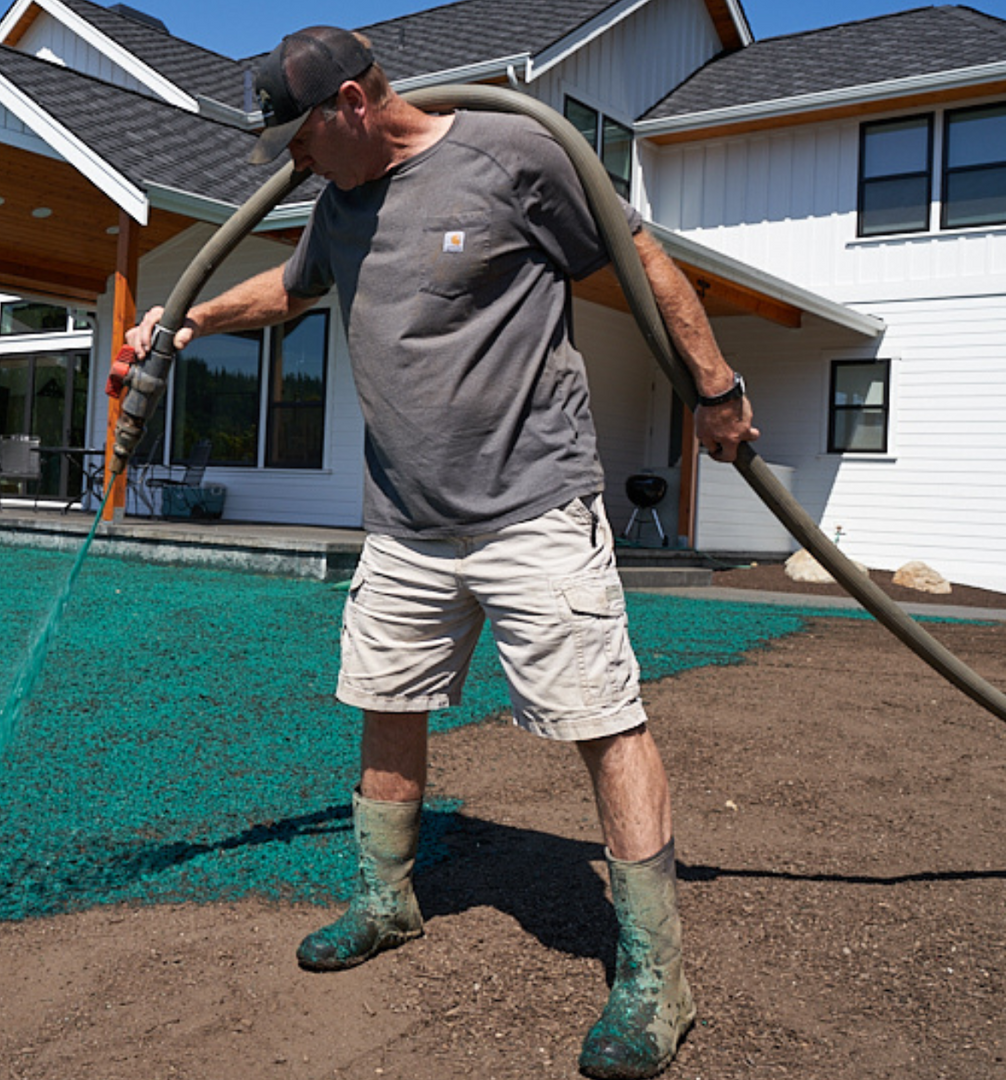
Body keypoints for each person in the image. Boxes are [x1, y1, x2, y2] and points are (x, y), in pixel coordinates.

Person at [126, 26, 757, 1080]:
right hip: (407, 524)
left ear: (351, 106)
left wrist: (716, 387)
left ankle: (657, 978)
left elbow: (640, 253)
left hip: (533, 510)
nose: (290, 162)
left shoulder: (516, 157)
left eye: (298, 138)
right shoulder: (338, 205)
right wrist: (186, 322)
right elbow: (292, 292)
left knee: (603, 723)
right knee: (387, 698)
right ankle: (386, 903)